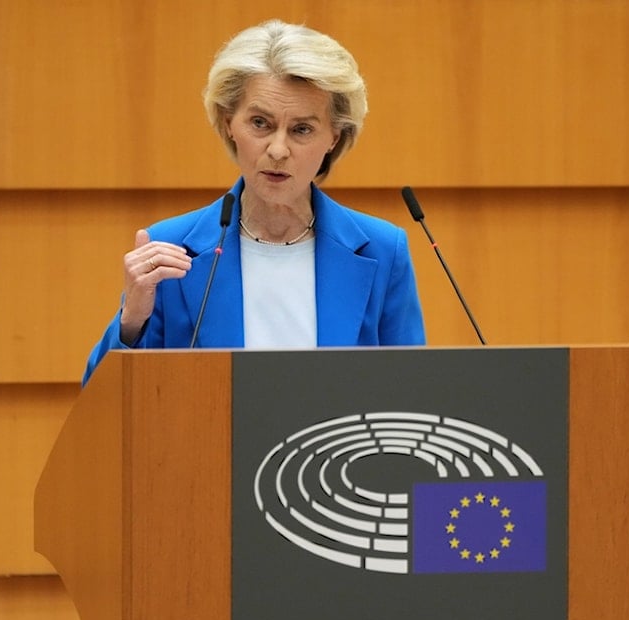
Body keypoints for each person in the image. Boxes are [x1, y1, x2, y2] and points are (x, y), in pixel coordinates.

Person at [82, 19, 425, 385]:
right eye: (260, 123)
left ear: (333, 138)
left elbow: (411, 394)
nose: (278, 150)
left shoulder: (383, 250)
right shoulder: (171, 248)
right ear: (230, 123)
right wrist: (132, 320)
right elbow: (103, 403)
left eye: (302, 129)